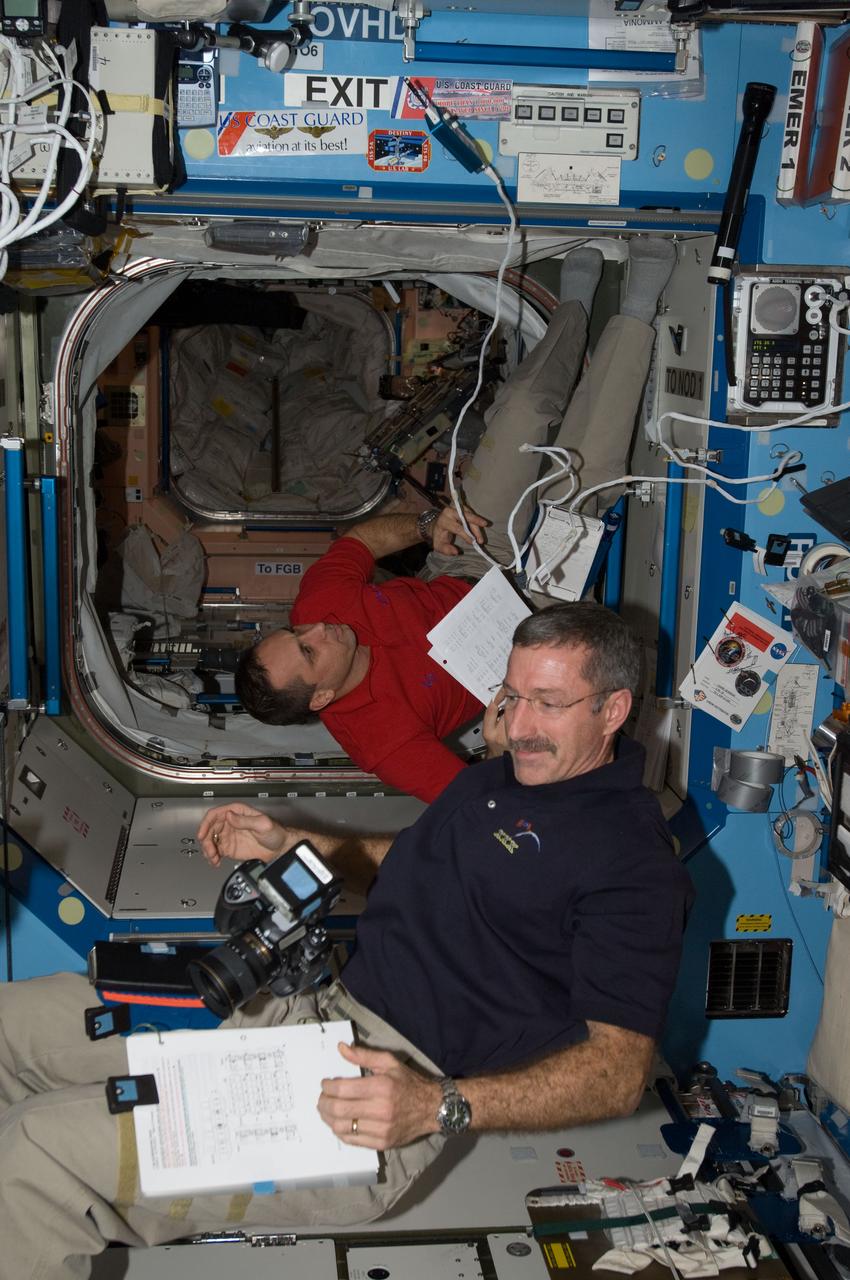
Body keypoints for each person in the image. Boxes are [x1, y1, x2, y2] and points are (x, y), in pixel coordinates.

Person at [0, 603, 693, 1279]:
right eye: (511, 696)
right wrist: (293, 845)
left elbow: (618, 1071)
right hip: (309, 1005)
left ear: (613, 709)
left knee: (33, 1156)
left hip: (376, 1102)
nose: (519, 724)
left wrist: (442, 1104)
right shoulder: (497, 781)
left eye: (549, 702)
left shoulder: (633, 864)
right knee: (11, 1028)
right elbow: (404, 861)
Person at [235, 238, 677, 802]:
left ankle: (573, 311)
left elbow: (359, 542)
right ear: (320, 697)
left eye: (296, 632)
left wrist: (427, 527)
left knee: (517, 415)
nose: (316, 628)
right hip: (527, 621)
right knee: (584, 473)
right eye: (309, 650)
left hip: (463, 557)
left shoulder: (319, 608)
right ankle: (637, 314)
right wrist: (498, 747)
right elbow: (475, 805)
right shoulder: (383, 746)